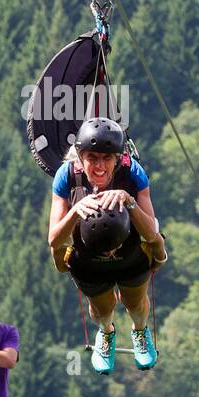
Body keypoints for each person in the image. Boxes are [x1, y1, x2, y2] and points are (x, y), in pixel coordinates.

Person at [47, 117, 165, 374]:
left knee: (134, 301)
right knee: (102, 308)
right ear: (80, 156)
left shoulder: (132, 172)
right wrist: (75, 211)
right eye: (92, 158)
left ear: (118, 158)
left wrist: (129, 200)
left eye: (107, 158)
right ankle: (107, 332)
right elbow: (54, 238)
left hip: (130, 251)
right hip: (88, 257)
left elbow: (152, 234)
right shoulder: (66, 175)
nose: (100, 166)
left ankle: (140, 330)